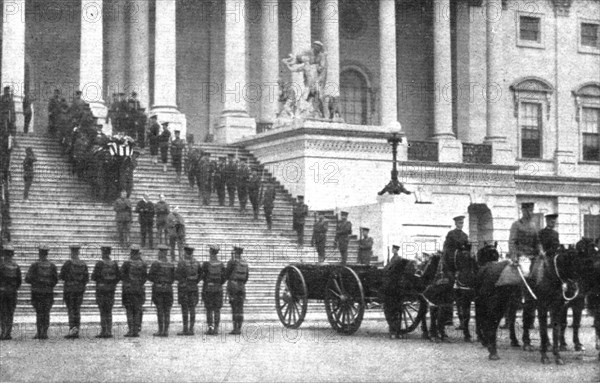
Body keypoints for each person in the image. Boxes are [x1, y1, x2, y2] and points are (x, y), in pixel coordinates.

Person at [508, 202, 545, 349]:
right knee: (526, 273)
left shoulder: (534, 225)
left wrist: (541, 250)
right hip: (522, 256)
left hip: (534, 256)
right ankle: (524, 296)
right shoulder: (516, 225)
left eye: (531, 210)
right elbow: (512, 242)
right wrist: (514, 256)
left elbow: (538, 242)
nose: (529, 212)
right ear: (522, 210)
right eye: (527, 209)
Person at [25, 245, 58, 339]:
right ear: (47, 254)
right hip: (48, 292)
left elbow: (27, 279)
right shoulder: (52, 266)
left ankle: (39, 332)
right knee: (46, 312)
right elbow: (55, 280)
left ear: (39, 254)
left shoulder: (34, 265)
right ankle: (45, 332)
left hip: (37, 292)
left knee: (39, 312)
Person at [59, 245, 89, 339]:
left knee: (71, 310)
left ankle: (72, 330)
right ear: (78, 253)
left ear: (71, 253)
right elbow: (86, 278)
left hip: (69, 290)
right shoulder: (83, 264)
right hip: (79, 290)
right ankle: (76, 330)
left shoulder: (68, 264)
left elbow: (61, 276)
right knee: (77, 309)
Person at [91, 246, 120, 338]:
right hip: (111, 290)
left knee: (102, 311)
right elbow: (118, 277)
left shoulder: (99, 264)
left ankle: (104, 331)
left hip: (101, 290)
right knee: (109, 310)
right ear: (109, 253)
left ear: (102, 253)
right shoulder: (114, 264)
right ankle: (109, 331)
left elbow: (93, 277)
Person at [120, 244, 147, 337]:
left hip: (128, 290)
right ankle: (136, 330)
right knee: (137, 310)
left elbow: (122, 275)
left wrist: (128, 283)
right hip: (139, 289)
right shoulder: (143, 263)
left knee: (129, 310)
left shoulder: (127, 263)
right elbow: (145, 277)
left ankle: (131, 330)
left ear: (131, 252)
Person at [149, 245, 175, 337]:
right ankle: (166, 331)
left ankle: (161, 330)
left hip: (158, 289)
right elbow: (173, 278)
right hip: (168, 289)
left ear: (160, 253)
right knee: (167, 310)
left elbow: (150, 277)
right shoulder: (171, 264)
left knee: (160, 310)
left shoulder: (156, 263)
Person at [176, 245, 202, 336]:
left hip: (184, 288)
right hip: (194, 287)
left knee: (185, 308)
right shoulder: (197, 262)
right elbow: (200, 275)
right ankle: (191, 329)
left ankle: (185, 329)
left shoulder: (182, 262)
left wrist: (183, 281)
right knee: (192, 308)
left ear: (185, 252)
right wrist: (194, 282)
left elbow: (177, 275)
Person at [202, 245, 226, 335]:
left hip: (208, 288)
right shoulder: (221, 264)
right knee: (217, 309)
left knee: (209, 309)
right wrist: (218, 283)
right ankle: (216, 329)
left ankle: (210, 328)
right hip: (218, 289)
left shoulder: (206, 264)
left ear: (210, 252)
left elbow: (203, 276)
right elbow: (224, 277)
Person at [226, 246, 249, 335]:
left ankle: (235, 328)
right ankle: (239, 328)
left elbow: (227, 274)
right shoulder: (245, 263)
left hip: (233, 286)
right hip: (242, 286)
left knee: (234, 307)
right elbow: (247, 277)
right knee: (240, 308)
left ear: (235, 252)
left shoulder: (231, 262)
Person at [0, 244, 21, 340]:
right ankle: (8, 332)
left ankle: (3, 331)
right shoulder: (16, 266)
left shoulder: (1, 265)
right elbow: (19, 281)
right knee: (10, 312)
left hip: (2, 291)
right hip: (12, 292)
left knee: (2, 312)